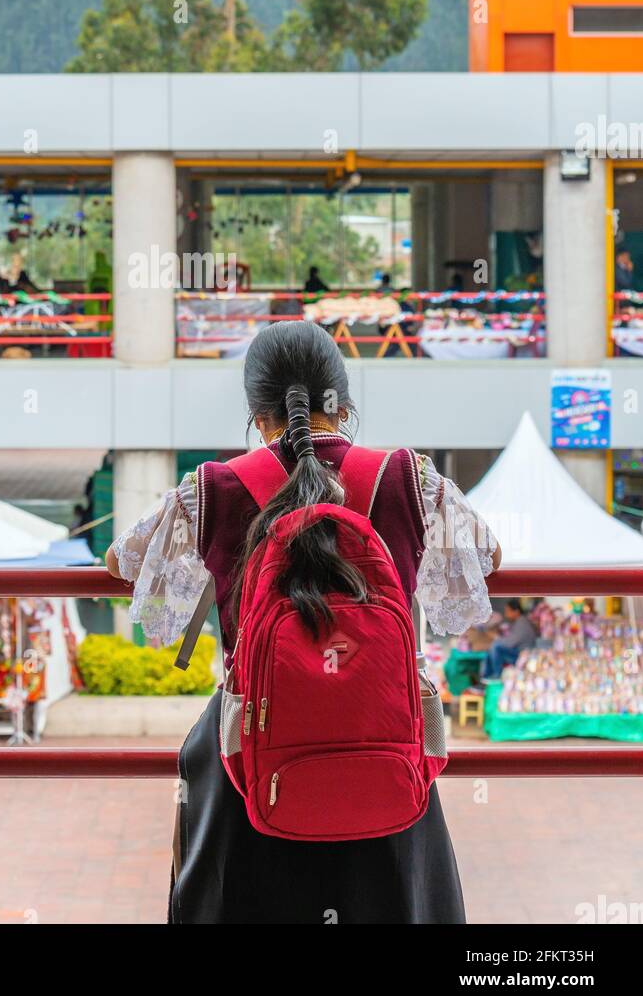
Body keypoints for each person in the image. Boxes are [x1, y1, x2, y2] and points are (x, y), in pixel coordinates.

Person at [106, 320, 501, 924]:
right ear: (343, 405)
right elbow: (489, 556)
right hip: (384, 751)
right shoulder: (405, 477)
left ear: (257, 415)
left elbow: (123, 562)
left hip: (254, 766)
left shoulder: (213, 489)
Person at [481, 599, 537, 681]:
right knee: (493, 647)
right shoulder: (518, 621)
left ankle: (497, 676)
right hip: (518, 651)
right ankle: (486, 677)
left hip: (523, 656)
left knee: (496, 647)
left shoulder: (522, 623)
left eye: (508, 610)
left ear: (516, 611)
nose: (506, 613)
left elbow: (510, 643)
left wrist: (496, 637)